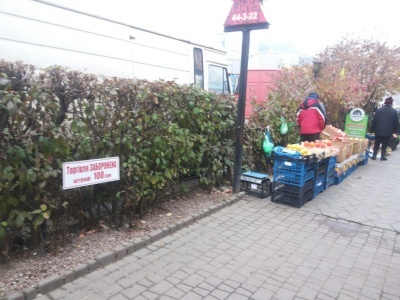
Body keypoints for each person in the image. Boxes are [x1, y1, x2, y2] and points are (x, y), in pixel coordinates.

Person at [370, 96, 399, 160]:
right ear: (391, 103)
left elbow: (374, 120)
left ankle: (374, 156)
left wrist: (372, 130)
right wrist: (395, 132)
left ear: (385, 102)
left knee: (377, 143)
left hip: (378, 130)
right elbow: (396, 123)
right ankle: (382, 156)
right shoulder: (394, 112)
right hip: (388, 131)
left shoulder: (379, 110)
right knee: (385, 144)